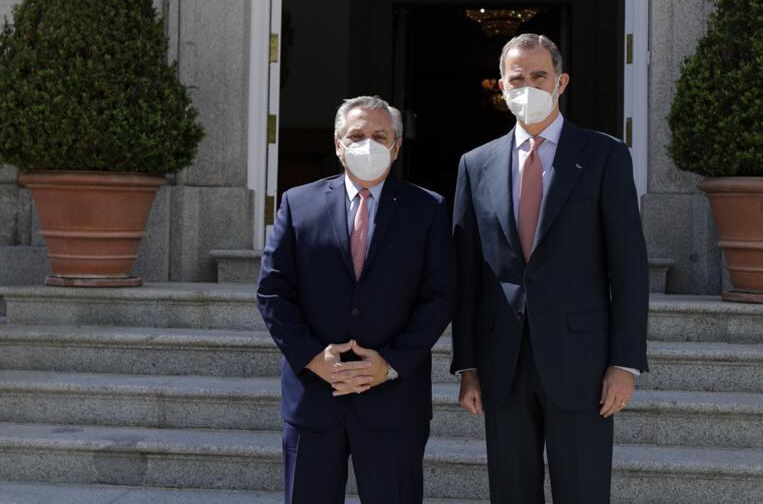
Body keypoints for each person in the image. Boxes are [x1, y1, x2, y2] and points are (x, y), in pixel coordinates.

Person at [451, 34, 649, 503]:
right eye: (516, 78)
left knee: (582, 491)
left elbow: (629, 266)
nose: (528, 86)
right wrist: (468, 366)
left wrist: (624, 364)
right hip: (502, 363)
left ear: (561, 81)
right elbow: (466, 274)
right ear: (501, 86)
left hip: (582, 363)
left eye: (538, 76)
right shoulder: (475, 164)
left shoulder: (604, 156)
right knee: (511, 492)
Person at [257, 95, 456, 504]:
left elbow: (440, 297)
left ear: (396, 147)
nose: (368, 144)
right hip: (314, 398)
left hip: (393, 402)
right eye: (357, 135)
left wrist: (391, 363)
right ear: (337, 144)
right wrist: (314, 358)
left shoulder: (428, 208)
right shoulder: (299, 203)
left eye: (379, 136)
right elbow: (273, 291)